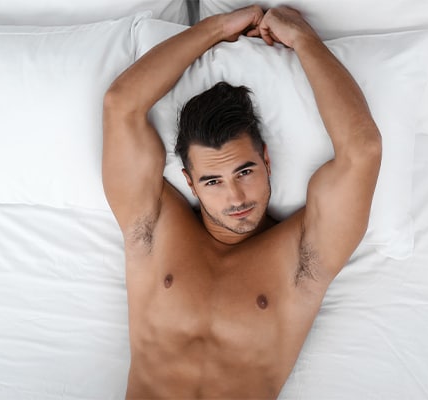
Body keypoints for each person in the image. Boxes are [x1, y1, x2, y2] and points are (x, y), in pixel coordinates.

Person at [102, 4, 382, 399]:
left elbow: (363, 150)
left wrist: (303, 39)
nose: (235, 197)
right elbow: (121, 106)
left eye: (245, 172)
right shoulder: (153, 226)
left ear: (267, 161)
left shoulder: (303, 256)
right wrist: (217, 28)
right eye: (213, 181)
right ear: (191, 183)